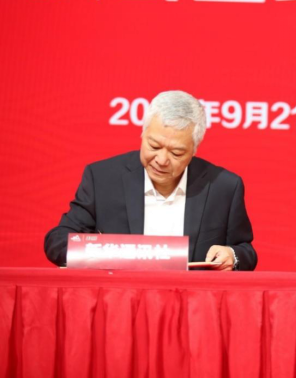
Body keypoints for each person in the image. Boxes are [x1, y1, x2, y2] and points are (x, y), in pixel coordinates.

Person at [45, 90, 257, 271]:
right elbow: (57, 241)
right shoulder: (102, 178)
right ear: (143, 133)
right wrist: (102, 252)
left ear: (194, 150)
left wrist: (232, 256)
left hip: (192, 301)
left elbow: (245, 251)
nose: (162, 160)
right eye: (154, 146)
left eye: (176, 153)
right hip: (121, 299)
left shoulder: (223, 187)